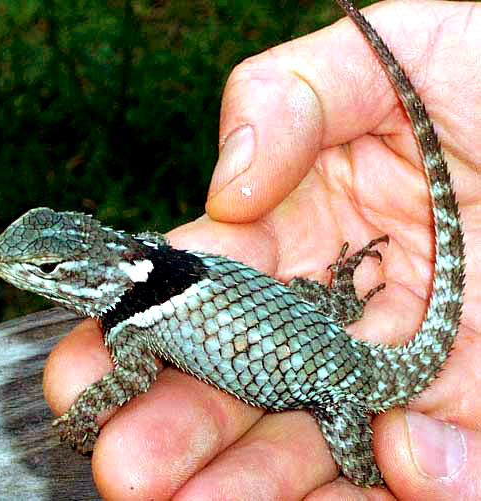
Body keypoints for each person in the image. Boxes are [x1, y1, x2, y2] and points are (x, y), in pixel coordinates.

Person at [43, 1, 481, 498]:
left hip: (339, 390)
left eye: (48, 269)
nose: (35, 276)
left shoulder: (134, 309)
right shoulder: (146, 252)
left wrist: (84, 413)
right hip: (317, 333)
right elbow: (142, 350)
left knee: (365, 476)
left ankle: (343, 323)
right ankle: (339, 304)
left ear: (84, 272)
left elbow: (132, 378)